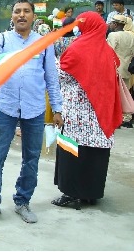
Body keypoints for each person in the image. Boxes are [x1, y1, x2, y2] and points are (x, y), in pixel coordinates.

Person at [0, 0, 63, 224]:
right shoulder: (1, 40)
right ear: (11, 16)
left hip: (34, 109)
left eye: (26, 11)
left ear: (34, 16)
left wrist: (57, 109)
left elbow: (52, 80)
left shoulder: (43, 43)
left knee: (31, 158)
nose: (21, 15)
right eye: (17, 12)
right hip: (6, 106)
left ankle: (23, 201)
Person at [52, 11, 122, 210]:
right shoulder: (107, 50)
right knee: (96, 155)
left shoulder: (78, 48)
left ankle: (71, 193)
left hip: (77, 113)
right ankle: (91, 194)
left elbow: (61, 75)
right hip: (100, 113)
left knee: (73, 152)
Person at [106, 14, 134, 128]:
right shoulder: (131, 36)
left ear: (116, 24)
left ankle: (116, 118)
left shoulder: (113, 35)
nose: (110, 25)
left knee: (115, 95)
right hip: (127, 68)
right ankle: (126, 118)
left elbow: (109, 51)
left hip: (115, 69)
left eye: (112, 23)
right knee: (126, 93)